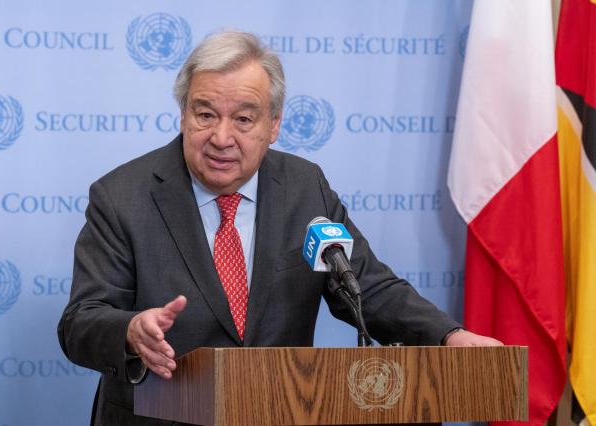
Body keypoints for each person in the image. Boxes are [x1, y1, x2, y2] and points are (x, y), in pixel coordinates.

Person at [57, 30, 501, 426]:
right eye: (205, 114)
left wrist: (448, 336)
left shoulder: (305, 188)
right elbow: (81, 322)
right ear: (183, 114)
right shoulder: (122, 196)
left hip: (280, 412)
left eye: (244, 119)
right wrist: (131, 331)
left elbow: (366, 287)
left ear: (274, 125)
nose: (222, 137)